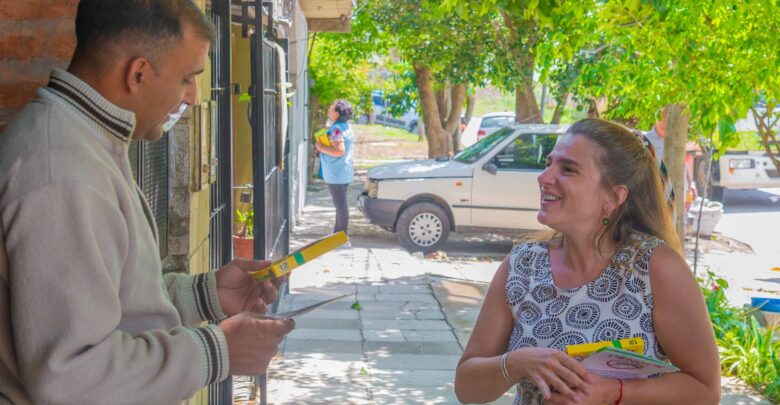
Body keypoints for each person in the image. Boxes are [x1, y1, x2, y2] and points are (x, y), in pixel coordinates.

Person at [0, 1, 294, 403]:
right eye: (187, 79)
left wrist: (203, 295)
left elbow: (106, 305)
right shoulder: (63, 173)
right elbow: (70, 377)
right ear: (137, 73)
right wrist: (215, 352)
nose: (191, 98)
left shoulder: (86, 141)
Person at [454, 119, 720, 404]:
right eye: (549, 163)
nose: (544, 177)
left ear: (612, 196)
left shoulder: (653, 267)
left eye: (567, 169)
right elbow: (466, 387)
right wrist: (515, 363)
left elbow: (705, 391)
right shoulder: (521, 267)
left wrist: (614, 393)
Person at [316, 100, 355, 234]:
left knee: (340, 206)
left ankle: (340, 236)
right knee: (341, 205)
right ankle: (338, 235)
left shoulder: (337, 129)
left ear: (337, 113)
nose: (328, 109)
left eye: (331, 108)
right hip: (343, 171)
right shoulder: (346, 126)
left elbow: (339, 151)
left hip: (336, 174)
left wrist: (321, 147)